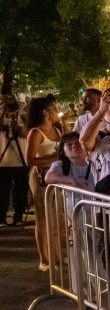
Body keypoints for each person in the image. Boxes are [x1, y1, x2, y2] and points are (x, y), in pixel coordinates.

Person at [25, 97, 62, 270]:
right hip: (41, 177)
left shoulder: (57, 129)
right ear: (45, 113)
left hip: (56, 177)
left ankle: (56, 255)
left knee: (56, 218)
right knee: (42, 218)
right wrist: (55, 157)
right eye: (54, 108)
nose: (57, 111)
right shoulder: (36, 132)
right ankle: (44, 259)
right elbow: (30, 159)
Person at [0, 96, 30, 227]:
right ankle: (1, 218)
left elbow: (26, 134)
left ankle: (18, 216)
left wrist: (17, 125)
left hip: (20, 160)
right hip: (3, 161)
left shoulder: (22, 117)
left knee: (21, 191)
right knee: (3, 192)